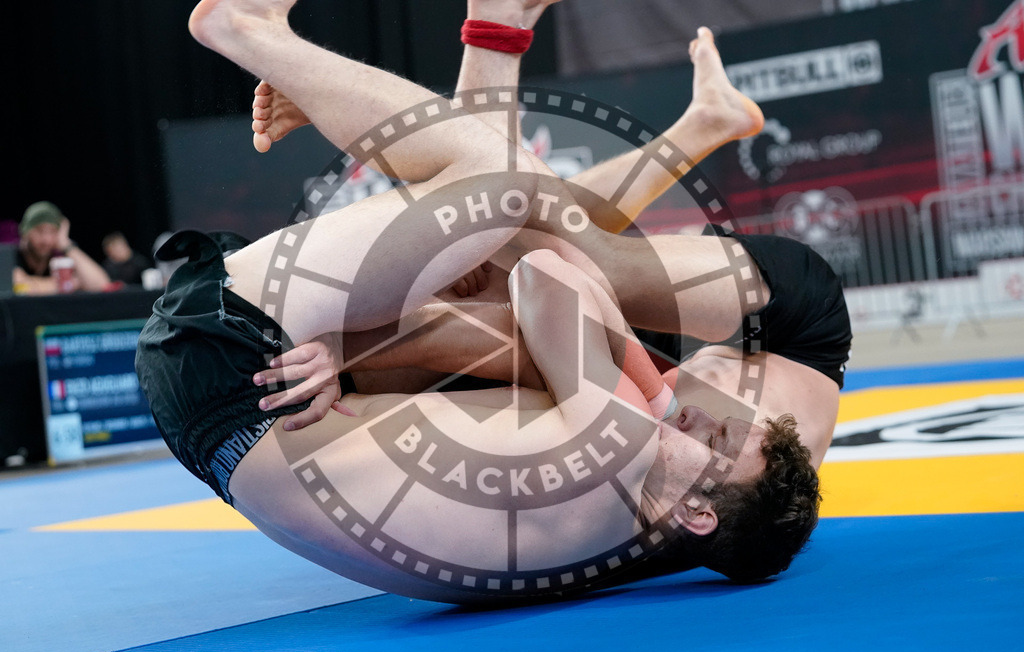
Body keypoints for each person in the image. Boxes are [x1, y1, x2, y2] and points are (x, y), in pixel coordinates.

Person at [136, 0, 819, 605]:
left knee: (503, 184)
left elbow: (550, 272)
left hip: (237, 366)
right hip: (230, 416)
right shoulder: (620, 532)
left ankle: (250, 30)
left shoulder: (626, 451)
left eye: (719, 438)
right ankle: (495, 27)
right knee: (495, 247)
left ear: (699, 514)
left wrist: (658, 397)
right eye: (728, 418)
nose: (703, 412)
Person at [252, 0, 851, 471]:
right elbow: (516, 262)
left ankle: (699, 124)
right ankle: (495, 27)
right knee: (535, 238)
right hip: (797, 324)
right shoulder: (663, 475)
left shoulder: (636, 468)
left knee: (509, 235)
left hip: (671, 369)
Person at [13, 201, 111, 295]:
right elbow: (22, 287)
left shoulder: (62, 256)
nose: (46, 240)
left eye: (53, 231)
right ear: (26, 232)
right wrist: (71, 283)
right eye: (39, 231)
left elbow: (101, 285)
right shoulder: (12, 256)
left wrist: (66, 244)